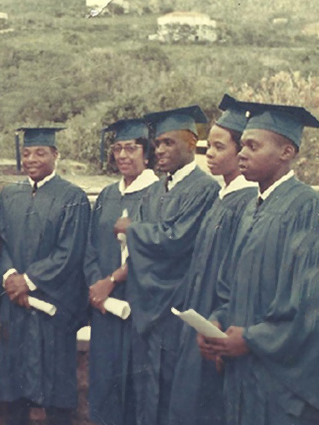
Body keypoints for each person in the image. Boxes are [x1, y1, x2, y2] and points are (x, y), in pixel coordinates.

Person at [201, 101, 319, 425]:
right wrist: (216, 323)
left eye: (253, 146)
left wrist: (252, 339)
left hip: (278, 382)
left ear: (286, 152)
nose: (241, 154)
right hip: (242, 373)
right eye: (241, 145)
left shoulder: (307, 208)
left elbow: (311, 306)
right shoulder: (251, 208)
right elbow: (230, 285)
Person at [114, 105, 219, 425]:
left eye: (169, 143)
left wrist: (131, 229)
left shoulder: (204, 188)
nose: (159, 150)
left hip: (178, 303)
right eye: (157, 143)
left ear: (192, 143)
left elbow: (177, 240)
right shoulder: (157, 188)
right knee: (147, 388)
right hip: (149, 303)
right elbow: (148, 246)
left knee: (173, 388)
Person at [166, 95, 257, 425]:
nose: (211, 156)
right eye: (209, 147)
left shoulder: (245, 202)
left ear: (242, 151)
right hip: (202, 320)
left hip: (218, 326)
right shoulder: (224, 196)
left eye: (220, 148)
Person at [0, 127, 90, 425]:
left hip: (52, 301)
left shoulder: (73, 196)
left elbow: (70, 251)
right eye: (26, 153)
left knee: (56, 381)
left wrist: (28, 281)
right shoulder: (8, 195)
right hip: (15, 302)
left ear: (55, 155)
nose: (31, 159)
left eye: (40, 153)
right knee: (16, 381)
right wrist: (9, 277)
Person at [84, 118, 158, 425]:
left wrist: (111, 281)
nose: (123, 155)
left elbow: (154, 250)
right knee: (103, 378)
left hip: (138, 305)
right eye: (118, 148)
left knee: (135, 385)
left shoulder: (157, 194)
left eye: (131, 147)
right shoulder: (106, 195)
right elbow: (88, 248)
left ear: (147, 153)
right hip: (104, 307)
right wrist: (95, 287)